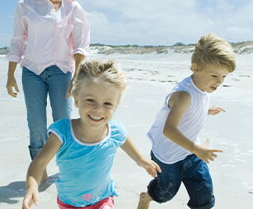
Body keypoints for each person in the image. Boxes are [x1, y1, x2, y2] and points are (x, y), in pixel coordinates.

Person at [22, 59, 161, 209]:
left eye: (107, 103)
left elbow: (129, 148)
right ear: (76, 99)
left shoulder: (115, 131)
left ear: (117, 104)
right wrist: (32, 186)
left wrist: (141, 160)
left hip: (103, 199)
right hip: (69, 202)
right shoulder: (62, 132)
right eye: (90, 100)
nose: (98, 109)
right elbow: (39, 162)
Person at [6, 0, 90, 173]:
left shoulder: (73, 6)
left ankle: (67, 166)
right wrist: (10, 76)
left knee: (62, 123)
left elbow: (80, 45)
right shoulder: (24, 5)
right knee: (36, 125)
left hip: (63, 72)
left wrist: (76, 78)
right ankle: (39, 167)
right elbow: (17, 41)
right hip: (32, 71)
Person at [137, 33, 236, 209]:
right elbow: (169, 130)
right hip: (169, 157)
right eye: (215, 75)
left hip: (191, 155)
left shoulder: (203, 87)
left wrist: (206, 111)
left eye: (224, 77)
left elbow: (191, 110)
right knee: (165, 194)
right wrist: (197, 149)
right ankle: (146, 197)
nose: (220, 81)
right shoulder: (183, 95)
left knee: (204, 197)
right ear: (196, 68)